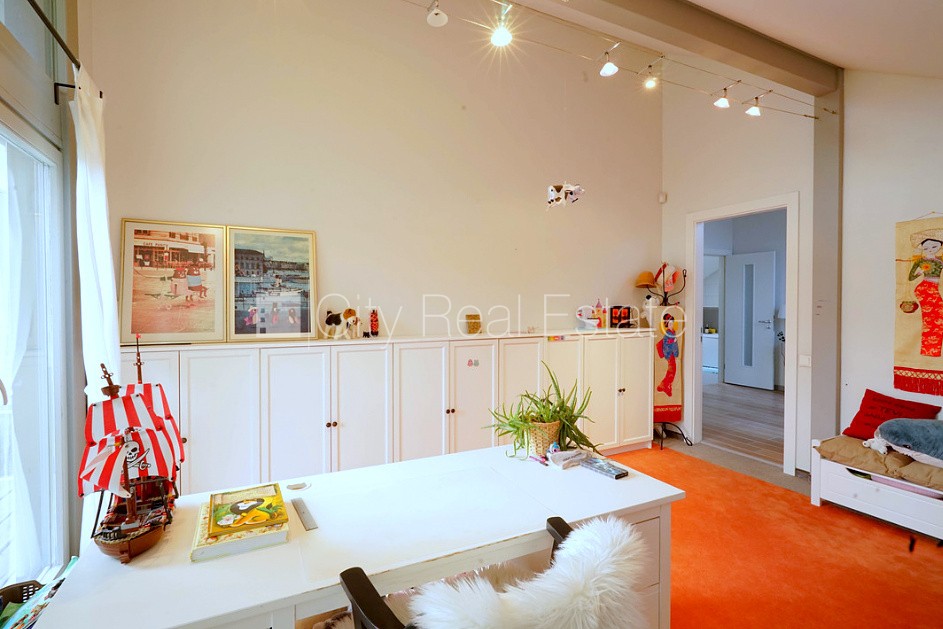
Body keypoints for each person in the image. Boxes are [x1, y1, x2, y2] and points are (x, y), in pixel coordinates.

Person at [908, 237, 943, 357]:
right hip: (925, 288)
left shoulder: (940, 261)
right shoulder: (920, 261)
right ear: (922, 248)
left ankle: (930, 350)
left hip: (933, 288)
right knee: (935, 317)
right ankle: (930, 350)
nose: (930, 249)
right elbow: (910, 277)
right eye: (926, 247)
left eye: (934, 246)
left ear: (940, 246)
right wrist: (920, 272)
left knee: (936, 318)